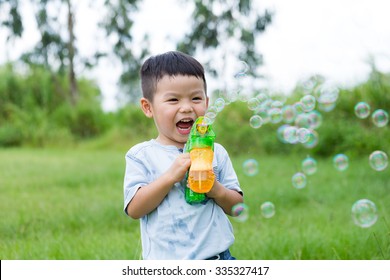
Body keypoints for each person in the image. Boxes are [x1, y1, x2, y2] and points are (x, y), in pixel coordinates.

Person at [123, 51, 243, 260]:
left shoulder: (216, 152)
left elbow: (237, 207)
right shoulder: (141, 156)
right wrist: (170, 177)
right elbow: (134, 209)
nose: (187, 107)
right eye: (173, 100)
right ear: (148, 107)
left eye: (195, 98)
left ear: (206, 102)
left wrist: (215, 189)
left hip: (217, 259)